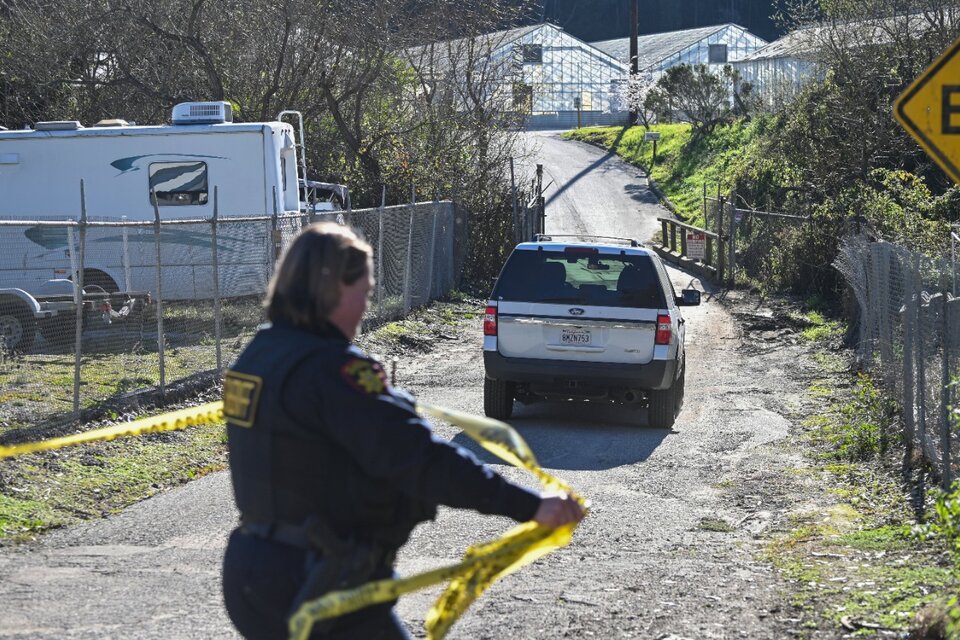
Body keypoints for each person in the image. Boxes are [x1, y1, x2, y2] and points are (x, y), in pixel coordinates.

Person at [221, 223, 584, 640]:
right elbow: (419, 460)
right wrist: (532, 506)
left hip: (251, 568)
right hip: (316, 582)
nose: (366, 304)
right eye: (366, 290)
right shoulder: (334, 370)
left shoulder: (261, 353)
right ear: (335, 287)